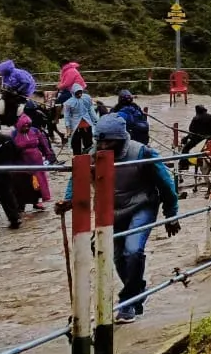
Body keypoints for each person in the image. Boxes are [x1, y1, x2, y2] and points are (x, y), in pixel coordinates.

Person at [59, 115, 179, 323]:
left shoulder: (142, 153)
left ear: (122, 139)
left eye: (109, 142)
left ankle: (127, 302)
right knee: (116, 257)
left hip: (141, 205)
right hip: (110, 211)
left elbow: (166, 184)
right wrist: (68, 200)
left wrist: (171, 214)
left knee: (132, 250)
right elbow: (77, 178)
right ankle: (138, 291)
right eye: (101, 142)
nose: (104, 146)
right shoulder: (92, 155)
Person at [12, 113, 56, 210]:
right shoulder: (14, 134)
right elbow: (11, 149)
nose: (26, 128)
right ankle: (21, 204)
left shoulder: (35, 131)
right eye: (24, 126)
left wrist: (49, 157)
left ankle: (36, 202)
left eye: (28, 126)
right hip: (22, 161)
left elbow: (44, 144)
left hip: (36, 160)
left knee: (38, 181)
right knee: (23, 182)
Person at [0, 126, 22, 228]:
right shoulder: (7, 139)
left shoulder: (7, 139)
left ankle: (14, 218)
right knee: (7, 196)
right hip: (5, 171)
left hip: (2, 172)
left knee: (7, 196)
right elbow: (17, 153)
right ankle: (14, 218)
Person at [0, 60, 36, 125]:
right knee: (4, 98)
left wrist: (18, 91)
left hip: (24, 90)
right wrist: (4, 90)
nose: (0, 73)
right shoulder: (6, 75)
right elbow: (7, 84)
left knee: (12, 102)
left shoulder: (18, 73)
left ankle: (11, 120)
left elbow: (26, 83)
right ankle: (3, 118)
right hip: (13, 89)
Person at [63, 84, 99, 155]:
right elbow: (67, 117)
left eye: (80, 92)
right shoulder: (68, 103)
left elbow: (91, 110)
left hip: (87, 124)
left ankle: (88, 158)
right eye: (77, 93)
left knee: (89, 145)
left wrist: (96, 121)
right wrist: (68, 129)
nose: (79, 95)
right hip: (76, 127)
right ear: (73, 92)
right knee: (76, 147)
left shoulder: (87, 98)